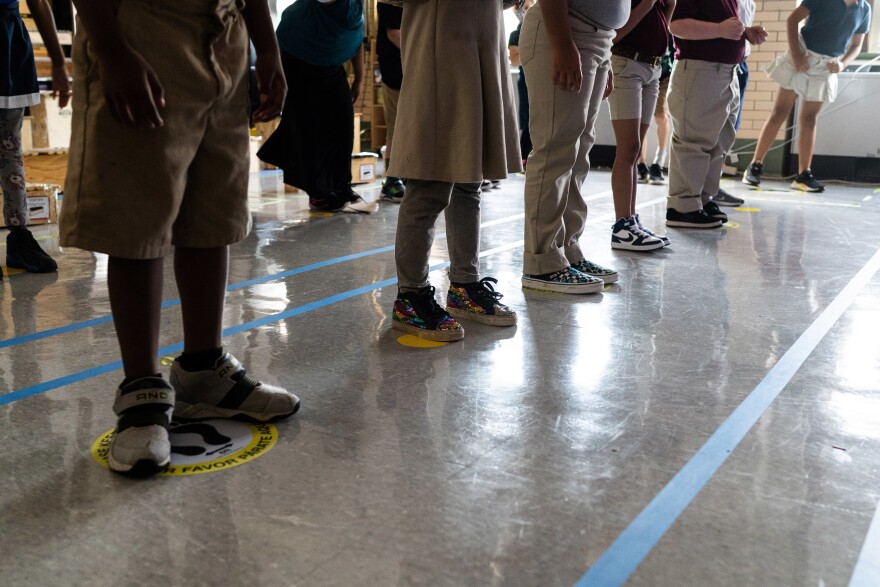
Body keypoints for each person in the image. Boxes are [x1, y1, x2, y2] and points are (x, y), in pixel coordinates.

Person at [60, 0, 298, 476]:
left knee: (215, 211)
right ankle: (141, 392)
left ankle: (203, 370)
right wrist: (111, 49)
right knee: (138, 212)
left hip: (226, 34)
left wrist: (265, 46)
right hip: (141, 28)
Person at [389, 0, 521, 342]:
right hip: (441, 47)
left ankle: (464, 284)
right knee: (428, 184)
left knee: (469, 180)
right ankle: (411, 297)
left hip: (482, 41)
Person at [519, 0, 628, 293]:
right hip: (567, 31)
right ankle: (541, 261)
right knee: (556, 148)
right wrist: (563, 44)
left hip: (597, 39)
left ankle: (567, 249)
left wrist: (605, 55)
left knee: (579, 152)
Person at [258, 0, 376, 214]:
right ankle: (318, 193)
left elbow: (356, 40)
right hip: (298, 68)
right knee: (309, 133)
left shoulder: (353, 10)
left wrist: (359, 79)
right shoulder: (299, 16)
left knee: (343, 128)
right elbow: (278, 47)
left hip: (332, 69)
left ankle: (341, 188)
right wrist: (273, 83)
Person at [743, 0, 871, 193]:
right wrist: (796, 56)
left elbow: (856, 45)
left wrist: (843, 64)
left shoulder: (864, 9)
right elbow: (792, 20)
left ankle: (803, 175)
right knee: (779, 112)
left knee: (810, 119)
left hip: (826, 66)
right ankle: (754, 166)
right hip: (802, 55)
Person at [664, 0, 766, 229]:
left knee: (719, 143)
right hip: (700, 70)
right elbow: (677, 25)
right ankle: (682, 207)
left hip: (727, 72)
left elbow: (719, 24)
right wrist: (721, 30)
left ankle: (703, 199)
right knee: (693, 141)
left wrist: (744, 33)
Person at [1, 0, 69, 279]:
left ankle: (20, 238)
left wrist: (58, 61)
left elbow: (39, 3)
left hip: (10, 45)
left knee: (11, 150)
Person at [607, 0, 674, 252]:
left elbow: (664, 25)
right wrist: (647, 3)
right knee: (629, 147)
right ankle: (622, 226)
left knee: (634, 152)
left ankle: (631, 220)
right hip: (626, 63)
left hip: (653, 67)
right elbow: (615, 35)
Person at [713, 0, 756, 207]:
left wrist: (748, 33)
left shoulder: (750, 3)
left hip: (740, 64)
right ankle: (702, 190)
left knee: (729, 129)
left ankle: (713, 186)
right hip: (717, 63)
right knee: (712, 130)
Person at [376, 1, 405, 204]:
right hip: (397, 70)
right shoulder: (389, 2)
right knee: (397, 127)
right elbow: (394, 33)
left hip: (418, 69)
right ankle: (392, 181)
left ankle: (412, 176)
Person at [637, 43, 673, 185]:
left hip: (665, 73)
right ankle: (641, 164)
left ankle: (658, 163)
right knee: (640, 121)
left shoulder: (668, 23)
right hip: (642, 71)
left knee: (661, 116)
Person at [508, 0, 535, 169]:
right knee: (528, 119)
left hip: (540, 80)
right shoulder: (516, 34)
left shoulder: (540, 29)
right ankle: (524, 157)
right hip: (525, 82)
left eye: (526, 7)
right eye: (520, 9)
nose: (523, 11)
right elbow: (515, 59)